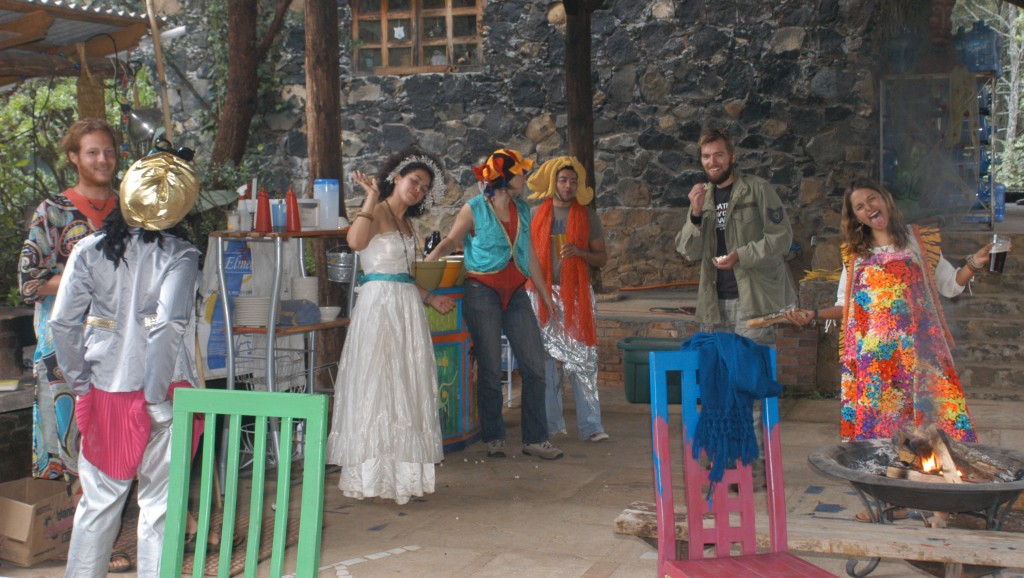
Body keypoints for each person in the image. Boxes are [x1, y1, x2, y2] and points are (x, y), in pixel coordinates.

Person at [50, 148, 202, 576]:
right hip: (168, 392)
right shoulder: (182, 254)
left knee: (98, 504)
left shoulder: (88, 250)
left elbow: (63, 323)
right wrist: (154, 399)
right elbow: (167, 325)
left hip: (105, 388)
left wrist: (81, 385)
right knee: (160, 506)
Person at [785, 179, 994, 444]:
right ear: (856, 218)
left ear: (885, 199)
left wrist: (974, 263)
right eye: (860, 207)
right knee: (882, 440)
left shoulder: (919, 241)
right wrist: (814, 315)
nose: (868, 207)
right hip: (876, 364)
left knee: (935, 433)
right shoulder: (854, 255)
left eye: (872, 199)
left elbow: (950, 285)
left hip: (922, 356)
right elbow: (845, 307)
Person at [326, 148, 456, 505]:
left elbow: (402, 275)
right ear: (396, 178)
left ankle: (401, 475)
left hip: (406, 309)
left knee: (404, 386)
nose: (418, 189)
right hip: (378, 307)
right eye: (414, 181)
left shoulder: (407, 224)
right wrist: (370, 197)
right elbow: (355, 243)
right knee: (376, 383)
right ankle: (370, 476)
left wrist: (430, 298)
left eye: (424, 187)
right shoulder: (378, 211)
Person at [427, 148, 563, 460]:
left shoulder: (523, 209)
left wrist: (545, 296)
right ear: (503, 177)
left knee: (535, 365)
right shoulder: (474, 208)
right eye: (520, 173)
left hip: (516, 292)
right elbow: (452, 240)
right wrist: (430, 259)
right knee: (490, 368)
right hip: (482, 291)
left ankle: (535, 439)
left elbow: (529, 254)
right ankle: (494, 436)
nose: (525, 177)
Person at [19, 118, 120, 485]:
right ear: (74, 157)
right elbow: (29, 282)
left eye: (108, 151)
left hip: (119, 340)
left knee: (121, 429)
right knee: (71, 432)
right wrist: (85, 279)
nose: (103, 159)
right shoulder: (53, 212)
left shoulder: (129, 209)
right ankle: (76, 510)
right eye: (92, 152)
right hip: (65, 344)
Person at [675, 127, 796, 340]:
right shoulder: (702, 197)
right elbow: (689, 252)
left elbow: (781, 239)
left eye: (719, 155)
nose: (712, 162)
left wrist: (740, 255)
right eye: (706, 156)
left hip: (756, 301)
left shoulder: (758, 189)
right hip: (714, 304)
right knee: (721, 361)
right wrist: (695, 214)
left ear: (732, 157)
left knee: (746, 360)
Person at [525, 156, 609, 442]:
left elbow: (601, 258)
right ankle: (552, 425)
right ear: (553, 182)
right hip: (541, 293)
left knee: (583, 360)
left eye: (573, 181)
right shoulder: (535, 214)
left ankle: (591, 427)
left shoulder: (588, 216)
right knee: (545, 361)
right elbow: (524, 255)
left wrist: (580, 252)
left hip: (576, 295)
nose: (568, 186)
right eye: (563, 180)